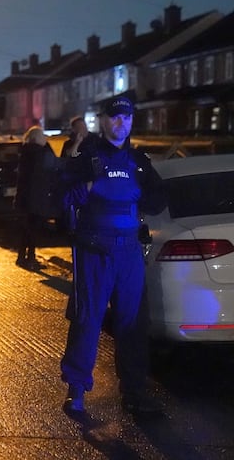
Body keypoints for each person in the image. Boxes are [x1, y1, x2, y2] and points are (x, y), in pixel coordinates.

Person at [59, 95, 167, 417]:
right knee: (87, 320)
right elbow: (58, 196)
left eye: (128, 118)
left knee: (132, 324)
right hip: (94, 251)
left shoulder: (139, 162)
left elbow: (158, 200)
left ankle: (134, 392)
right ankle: (76, 390)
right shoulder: (86, 159)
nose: (122, 123)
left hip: (129, 253)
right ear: (103, 120)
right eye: (116, 117)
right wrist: (85, 188)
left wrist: (141, 198)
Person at [13, 126, 61, 269]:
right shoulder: (40, 152)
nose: (45, 139)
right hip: (37, 197)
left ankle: (22, 257)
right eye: (42, 137)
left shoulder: (25, 151)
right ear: (36, 138)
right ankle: (31, 258)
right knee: (33, 230)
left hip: (25, 197)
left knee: (26, 229)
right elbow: (54, 165)